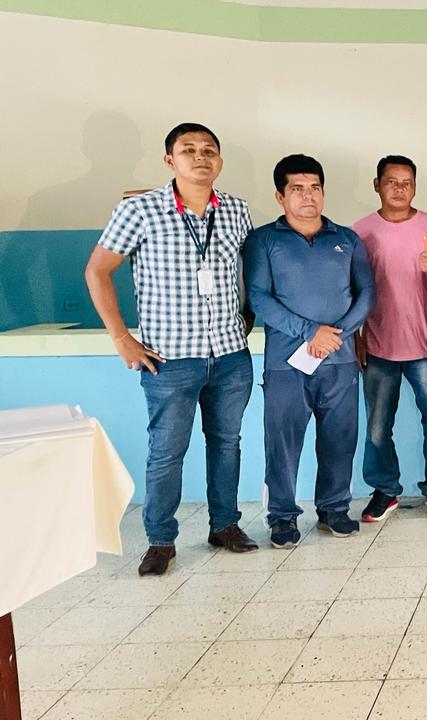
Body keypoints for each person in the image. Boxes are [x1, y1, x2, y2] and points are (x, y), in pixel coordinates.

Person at [85, 122, 258, 576]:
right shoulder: (139, 209)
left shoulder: (237, 210)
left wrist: (246, 318)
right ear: (170, 160)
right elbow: (97, 271)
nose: (200, 157)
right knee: (166, 452)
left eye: (209, 150)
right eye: (189, 150)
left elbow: (248, 269)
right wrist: (121, 337)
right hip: (169, 359)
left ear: (219, 161)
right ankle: (161, 540)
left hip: (230, 356)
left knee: (227, 445)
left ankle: (225, 525)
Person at [245, 154, 375, 548]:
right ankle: (282, 516)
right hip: (287, 363)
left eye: (315, 188)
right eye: (297, 189)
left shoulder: (346, 239)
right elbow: (258, 297)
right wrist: (309, 332)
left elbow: (366, 293)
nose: (308, 196)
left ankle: (334, 509)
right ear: (280, 196)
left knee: (339, 438)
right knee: (282, 443)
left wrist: (338, 334)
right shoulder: (263, 240)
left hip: (340, 360)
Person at [353, 155, 427, 522]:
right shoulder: (361, 231)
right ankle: (385, 490)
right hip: (379, 345)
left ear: (415, 187)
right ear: (377, 185)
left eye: (407, 182)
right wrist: (356, 336)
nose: (399, 189)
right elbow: (351, 289)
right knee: (378, 426)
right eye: (391, 181)